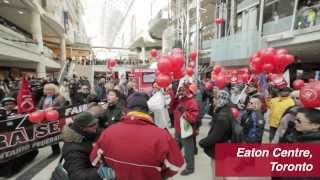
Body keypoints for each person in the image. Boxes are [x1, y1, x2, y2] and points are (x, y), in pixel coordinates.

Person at [90, 92, 184, 180]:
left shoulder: (108, 132)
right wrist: (159, 175)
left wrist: (114, 169)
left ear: (126, 110)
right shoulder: (162, 136)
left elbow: (94, 160)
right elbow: (176, 165)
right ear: (148, 111)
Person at [61, 111, 102, 180]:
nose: (96, 126)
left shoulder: (89, 133)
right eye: (92, 125)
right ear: (82, 128)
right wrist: (104, 171)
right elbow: (78, 176)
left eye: (96, 123)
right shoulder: (73, 150)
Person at [173, 83, 199, 176]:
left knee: (188, 151)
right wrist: (175, 98)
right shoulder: (180, 99)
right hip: (178, 130)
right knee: (176, 148)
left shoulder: (192, 102)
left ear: (188, 91)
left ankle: (190, 168)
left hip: (186, 131)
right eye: (180, 90)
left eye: (183, 90)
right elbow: (172, 108)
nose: (181, 91)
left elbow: (193, 118)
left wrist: (184, 111)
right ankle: (176, 161)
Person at [199, 90, 233, 158]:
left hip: (219, 150)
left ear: (221, 100)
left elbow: (215, 137)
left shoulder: (222, 117)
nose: (213, 100)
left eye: (215, 98)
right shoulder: (224, 110)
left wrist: (202, 142)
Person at [38, 83, 66, 155]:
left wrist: (53, 108)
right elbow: (39, 107)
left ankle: (68, 148)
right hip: (46, 120)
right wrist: (38, 111)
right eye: (46, 90)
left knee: (61, 134)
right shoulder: (43, 98)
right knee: (51, 135)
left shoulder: (60, 97)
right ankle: (56, 151)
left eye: (50, 90)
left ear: (54, 90)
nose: (48, 91)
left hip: (58, 119)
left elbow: (63, 108)